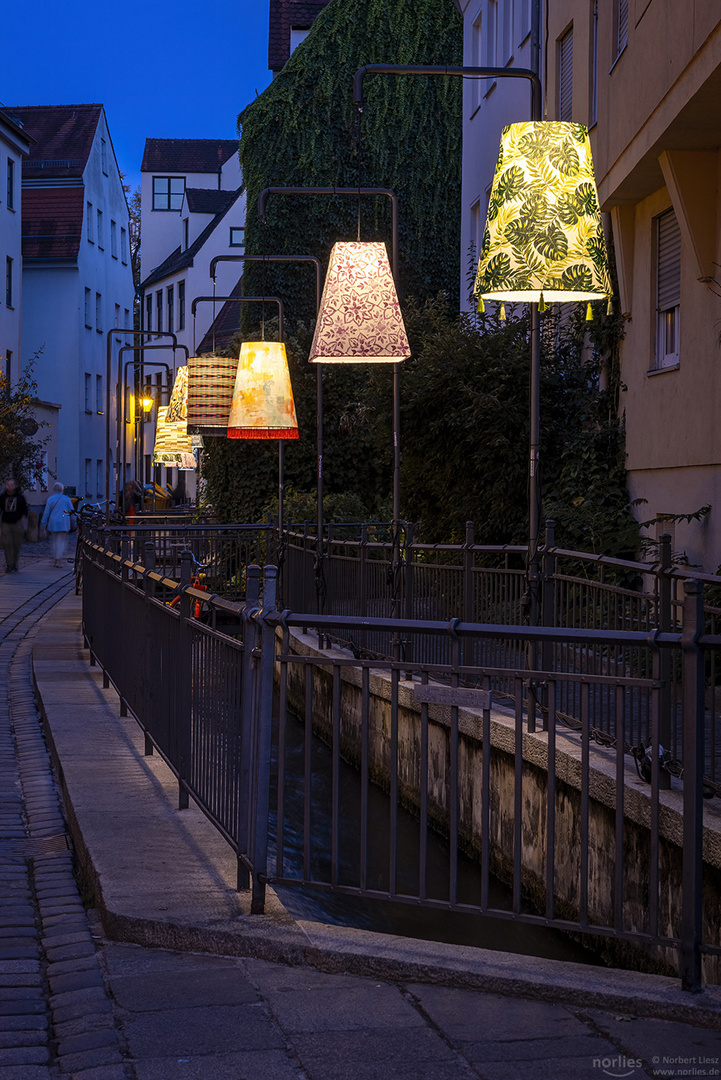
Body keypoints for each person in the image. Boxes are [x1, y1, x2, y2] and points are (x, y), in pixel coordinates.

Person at [41, 482, 76, 568]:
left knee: (55, 541)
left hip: (53, 523)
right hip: (64, 522)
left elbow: (46, 513)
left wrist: (43, 524)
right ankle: (59, 559)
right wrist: (74, 521)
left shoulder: (50, 499)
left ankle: (56, 559)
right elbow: (72, 512)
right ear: (62, 490)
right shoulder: (67, 499)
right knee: (62, 541)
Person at [0, 477, 29, 573]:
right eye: (8, 484)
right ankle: (9, 564)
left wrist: (24, 525)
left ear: (15, 486)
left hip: (17, 524)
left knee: (16, 545)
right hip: (6, 524)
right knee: (7, 544)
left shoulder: (20, 498)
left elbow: (25, 512)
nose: (10, 486)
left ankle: (15, 563)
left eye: (12, 484)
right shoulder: (2, 497)